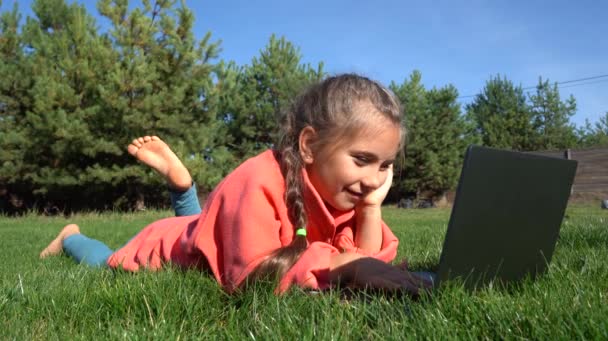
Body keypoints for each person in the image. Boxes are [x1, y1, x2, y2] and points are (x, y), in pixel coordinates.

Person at [40, 74, 430, 295]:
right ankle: (70, 237)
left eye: (386, 165)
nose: (374, 179)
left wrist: (370, 210)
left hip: (207, 232)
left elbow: (368, 262)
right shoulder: (258, 177)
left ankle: (183, 189)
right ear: (309, 145)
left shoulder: (344, 194)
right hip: (163, 244)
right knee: (105, 261)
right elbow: (248, 273)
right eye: (362, 160)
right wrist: (345, 265)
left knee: (201, 228)